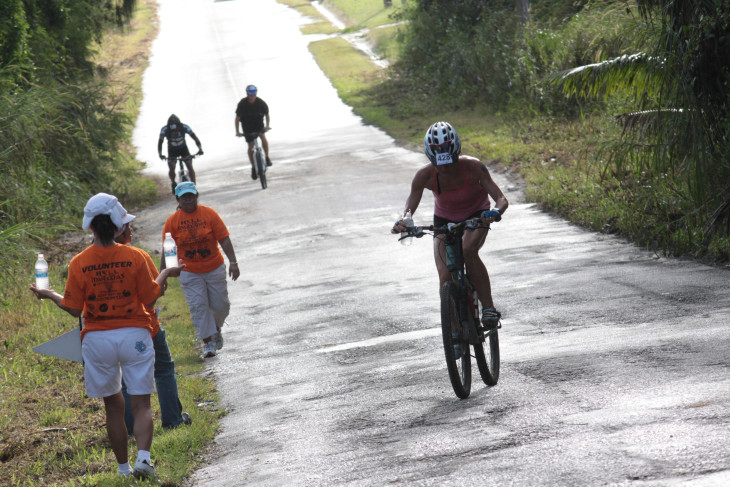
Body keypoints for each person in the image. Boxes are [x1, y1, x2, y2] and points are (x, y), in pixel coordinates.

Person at [29, 193, 184, 479]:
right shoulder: (135, 256)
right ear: (117, 225)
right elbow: (150, 298)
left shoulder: (79, 262)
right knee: (141, 403)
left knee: (113, 406)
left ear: (90, 226)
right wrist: (165, 273)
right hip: (134, 336)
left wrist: (49, 293)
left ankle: (123, 470)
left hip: (98, 340)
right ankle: (143, 460)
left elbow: (74, 309)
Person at [392, 121, 508, 327]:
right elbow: (410, 205)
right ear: (431, 158)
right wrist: (404, 220)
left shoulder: (474, 167)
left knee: (468, 250)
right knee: (445, 276)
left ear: (458, 153)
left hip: (477, 215)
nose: (445, 168)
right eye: (440, 163)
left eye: (450, 162)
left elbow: (500, 198)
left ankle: (488, 308)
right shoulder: (424, 175)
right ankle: (453, 333)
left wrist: (495, 212)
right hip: (444, 220)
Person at [114, 221, 192, 433]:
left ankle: (129, 428)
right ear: (118, 232)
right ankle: (173, 419)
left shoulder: (87, 260)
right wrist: (165, 274)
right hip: (144, 325)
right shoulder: (137, 255)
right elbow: (154, 295)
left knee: (125, 378)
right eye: (127, 227)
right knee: (164, 369)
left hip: (110, 331)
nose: (131, 230)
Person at [161, 181, 240, 359]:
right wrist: (163, 274)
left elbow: (224, 239)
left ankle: (216, 328)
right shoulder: (173, 222)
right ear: (178, 200)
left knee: (222, 305)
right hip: (189, 270)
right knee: (198, 306)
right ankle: (207, 343)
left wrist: (233, 262)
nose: (188, 200)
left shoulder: (209, 214)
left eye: (191, 195)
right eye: (184, 197)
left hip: (214, 267)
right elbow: (167, 249)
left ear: (197, 196)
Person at [158, 113, 204, 194]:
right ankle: (173, 182)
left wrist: (200, 149)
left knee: (189, 165)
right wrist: (160, 154)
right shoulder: (164, 129)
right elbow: (160, 142)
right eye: (173, 131)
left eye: (177, 130)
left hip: (183, 149)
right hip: (172, 150)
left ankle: (194, 186)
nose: (175, 132)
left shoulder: (184, 127)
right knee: (171, 167)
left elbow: (195, 137)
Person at [234, 84, 272, 180]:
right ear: (247, 94)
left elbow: (267, 115)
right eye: (250, 94)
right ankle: (253, 167)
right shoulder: (242, 104)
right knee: (250, 146)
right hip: (247, 126)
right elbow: (237, 119)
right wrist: (237, 131)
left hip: (258, 124)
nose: (252, 96)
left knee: (263, 137)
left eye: (254, 93)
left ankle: (267, 157)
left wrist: (267, 125)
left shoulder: (261, 103)